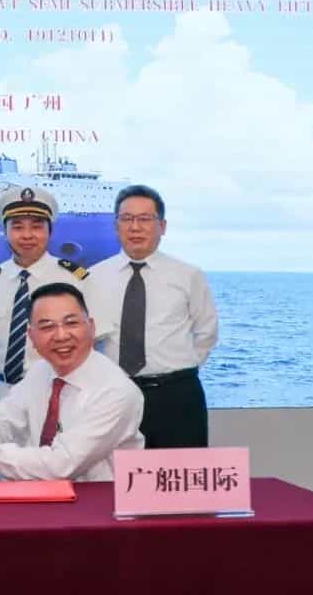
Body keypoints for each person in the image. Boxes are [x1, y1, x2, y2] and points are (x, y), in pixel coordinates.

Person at [0, 283, 144, 481]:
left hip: (95, 505)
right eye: (47, 327)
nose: (61, 335)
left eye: (71, 323)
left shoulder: (117, 392)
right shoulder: (41, 371)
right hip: (40, 498)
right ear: (31, 337)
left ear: (91, 327)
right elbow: (1, 426)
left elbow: (62, 464)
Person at [89, 185, 218, 448]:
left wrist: (175, 372)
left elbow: (206, 332)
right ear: (116, 226)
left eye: (145, 219)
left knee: (181, 471)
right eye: (127, 219)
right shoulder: (93, 277)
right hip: (115, 395)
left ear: (162, 226)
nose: (135, 227)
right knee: (114, 471)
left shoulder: (188, 275)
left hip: (177, 397)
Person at [0, 185, 107, 412]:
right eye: (17, 227)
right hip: (2, 393)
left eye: (37, 226)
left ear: (50, 231)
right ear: (5, 231)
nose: (27, 235)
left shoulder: (76, 280)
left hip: (60, 391)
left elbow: (95, 340)